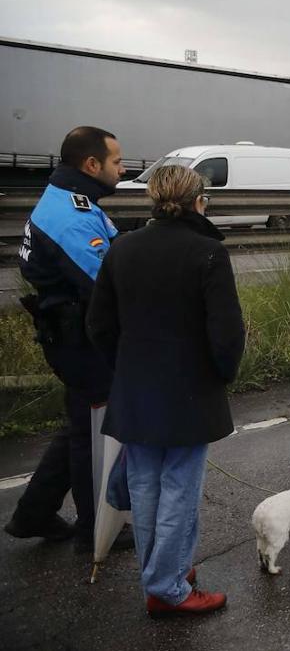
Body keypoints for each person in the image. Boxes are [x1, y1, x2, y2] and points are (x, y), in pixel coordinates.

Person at [86, 165, 245, 618]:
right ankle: (167, 586)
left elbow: (98, 325)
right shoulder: (208, 253)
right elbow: (226, 334)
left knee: (145, 486)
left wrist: (128, 369)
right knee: (179, 489)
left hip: (136, 390)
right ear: (199, 201)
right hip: (188, 393)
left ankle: (165, 570)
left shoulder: (122, 247)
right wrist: (221, 375)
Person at [6, 126, 133, 554]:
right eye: (117, 162)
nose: (123, 168)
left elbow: (114, 251)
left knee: (80, 425)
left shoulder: (72, 200)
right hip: (80, 341)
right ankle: (92, 529)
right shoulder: (71, 216)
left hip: (71, 335)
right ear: (91, 165)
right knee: (93, 433)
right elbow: (108, 284)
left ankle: (33, 514)